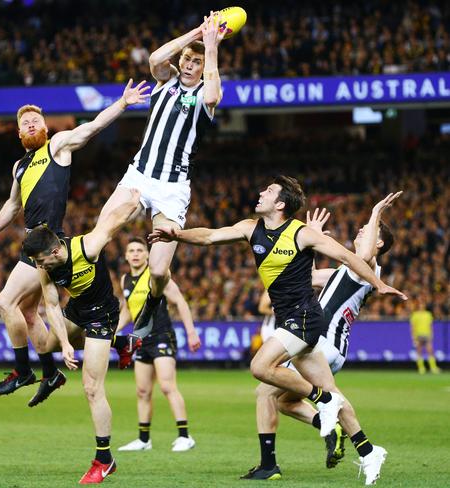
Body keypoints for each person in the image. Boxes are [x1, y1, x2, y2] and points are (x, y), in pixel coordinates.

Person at [150, 176, 407, 484]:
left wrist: (379, 280)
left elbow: (357, 257)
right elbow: (209, 236)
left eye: (269, 191)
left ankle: (296, 433)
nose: (260, 192)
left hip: (310, 323)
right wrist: (177, 234)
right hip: (305, 326)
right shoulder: (253, 229)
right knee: (295, 399)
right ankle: (367, 450)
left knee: (261, 369)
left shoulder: (333, 249)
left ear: (281, 203)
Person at [0, 80, 150, 403]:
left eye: (36, 120)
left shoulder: (57, 147)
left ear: (45, 128)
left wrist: (122, 103)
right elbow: (13, 206)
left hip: (49, 245)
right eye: (25, 123)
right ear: (19, 134)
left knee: (4, 303)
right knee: (28, 316)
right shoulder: (19, 167)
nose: (31, 124)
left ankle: (25, 371)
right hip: (33, 245)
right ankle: (112, 348)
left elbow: (92, 127)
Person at [96, 12, 226, 338]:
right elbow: (155, 58)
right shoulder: (165, 82)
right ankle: (93, 303)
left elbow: (212, 95)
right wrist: (197, 31)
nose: (188, 65)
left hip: (173, 187)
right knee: (101, 229)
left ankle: (153, 304)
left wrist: (210, 48)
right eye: (186, 59)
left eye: (195, 62)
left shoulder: (201, 97)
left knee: (157, 270)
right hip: (139, 174)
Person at [253, 192, 400, 477]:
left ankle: (270, 464)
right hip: (329, 344)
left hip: (322, 340)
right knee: (285, 400)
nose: (361, 230)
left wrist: (375, 212)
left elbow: (365, 254)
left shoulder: (368, 266)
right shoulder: (344, 272)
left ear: (379, 242)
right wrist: (311, 243)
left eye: (369, 232)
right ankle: (354, 442)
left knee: (279, 389)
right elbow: (306, 277)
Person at [22, 189, 140, 484]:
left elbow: (112, 221)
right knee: (46, 346)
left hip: (102, 314)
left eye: (41, 261)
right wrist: (63, 343)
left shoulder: (87, 247)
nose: (39, 266)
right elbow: (50, 305)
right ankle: (122, 343)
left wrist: (138, 199)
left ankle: (104, 459)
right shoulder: (44, 267)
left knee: (91, 387)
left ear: (56, 252)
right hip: (76, 309)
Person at [115, 237, 201, 453]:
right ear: (126, 256)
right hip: (141, 340)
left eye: (139, 250)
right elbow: (128, 309)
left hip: (162, 335)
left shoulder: (157, 276)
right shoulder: (125, 279)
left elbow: (179, 301)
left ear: (147, 255)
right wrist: (113, 330)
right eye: (131, 250)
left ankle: (185, 436)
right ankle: (144, 440)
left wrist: (191, 333)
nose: (135, 254)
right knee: (142, 391)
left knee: (166, 386)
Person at [410, 296, 441, 374]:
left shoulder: (428, 314)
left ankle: (433, 367)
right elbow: (413, 327)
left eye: (422, 304)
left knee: (430, 351)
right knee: (419, 351)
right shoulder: (415, 315)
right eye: (420, 304)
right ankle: (421, 368)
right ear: (418, 306)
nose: (421, 306)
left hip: (427, 334)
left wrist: (432, 334)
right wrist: (413, 337)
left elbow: (430, 326)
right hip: (419, 335)